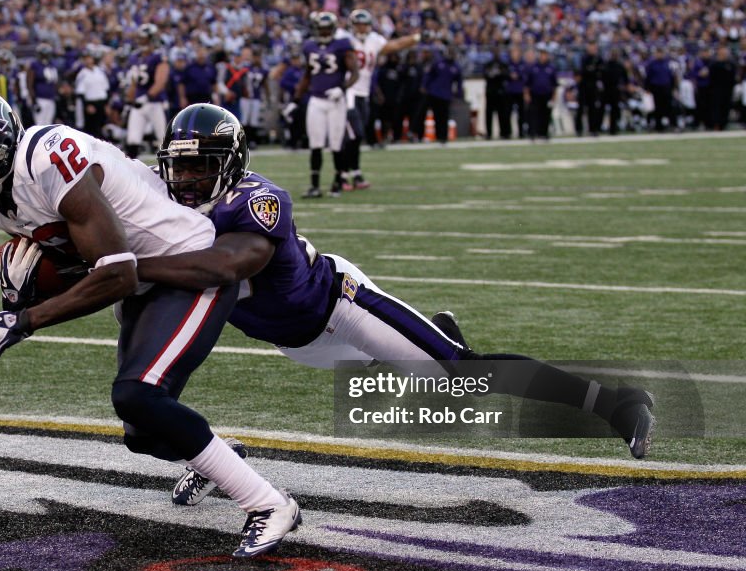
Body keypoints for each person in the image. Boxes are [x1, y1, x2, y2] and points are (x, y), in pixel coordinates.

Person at [138, 104, 655, 500]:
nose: (185, 180)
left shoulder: (256, 199)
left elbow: (221, 265)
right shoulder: (167, 205)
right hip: (293, 341)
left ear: (230, 164)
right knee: (151, 400)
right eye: (179, 168)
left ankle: (615, 405)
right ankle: (216, 458)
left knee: (462, 377)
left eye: (200, 167)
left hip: (341, 306)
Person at [0, 88, 300, 558]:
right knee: (141, 433)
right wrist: (25, 289)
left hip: (183, 265)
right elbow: (80, 262)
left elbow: (116, 272)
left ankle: (269, 503)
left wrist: (26, 319)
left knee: (137, 393)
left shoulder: (48, 157)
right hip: (141, 278)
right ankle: (216, 459)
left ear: (0, 148)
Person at [343, 9, 419, 188]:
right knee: (354, 133)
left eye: (364, 24)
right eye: (358, 24)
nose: (361, 28)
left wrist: (416, 38)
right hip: (348, 92)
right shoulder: (344, 40)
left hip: (364, 93)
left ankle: (355, 173)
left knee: (357, 136)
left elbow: (396, 45)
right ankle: (343, 174)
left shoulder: (374, 40)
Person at [296, 11, 358, 198]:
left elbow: (355, 72)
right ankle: (314, 186)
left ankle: (337, 182)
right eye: (320, 29)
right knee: (315, 144)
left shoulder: (342, 45)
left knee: (336, 144)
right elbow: (307, 76)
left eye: (326, 29)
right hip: (316, 99)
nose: (323, 32)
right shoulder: (308, 46)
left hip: (336, 101)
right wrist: (295, 100)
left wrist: (342, 88)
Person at [124, 23, 169, 159]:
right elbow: (133, 83)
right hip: (138, 103)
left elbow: (161, 81)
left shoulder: (158, 56)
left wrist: (147, 97)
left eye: (145, 38)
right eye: (141, 38)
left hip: (154, 102)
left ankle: (170, 169)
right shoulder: (135, 57)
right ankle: (130, 172)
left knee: (162, 138)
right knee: (132, 139)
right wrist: (130, 99)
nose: (142, 41)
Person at [421, 42, 463, 145]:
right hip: (434, 93)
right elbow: (429, 75)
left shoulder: (456, 67)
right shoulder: (438, 63)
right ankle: (423, 135)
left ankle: (443, 138)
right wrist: (424, 86)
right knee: (432, 115)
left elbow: (459, 83)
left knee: (444, 117)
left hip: (446, 95)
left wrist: (459, 94)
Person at [74, 49, 110, 140]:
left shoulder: (100, 71)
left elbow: (106, 88)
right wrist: (87, 105)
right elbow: (80, 93)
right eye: (85, 59)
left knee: (101, 127)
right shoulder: (82, 74)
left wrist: (106, 104)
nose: (88, 60)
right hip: (90, 103)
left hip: (101, 102)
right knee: (91, 130)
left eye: (89, 58)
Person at [524, 46, 557, 141]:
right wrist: (527, 94)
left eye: (545, 54)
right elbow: (527, 83)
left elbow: (554, 84)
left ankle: (544, 133)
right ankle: (533, 133)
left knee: (546, 115)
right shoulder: (533, 67)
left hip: (547, 95)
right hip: (535, 95)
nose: (543, 56)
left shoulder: (551, 68)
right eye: (542, 54)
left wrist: (554, 96)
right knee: (534, 115)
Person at [26, 44, 59, 127]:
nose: (45, 56)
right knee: (39, 124)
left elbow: (55, 82)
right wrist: (33, 100)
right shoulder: (35, 65)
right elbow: (30, 83)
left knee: (49, 123)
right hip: (40, 98)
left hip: (51, 98)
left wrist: (55, 94)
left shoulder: (52, 65)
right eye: (43, 54)